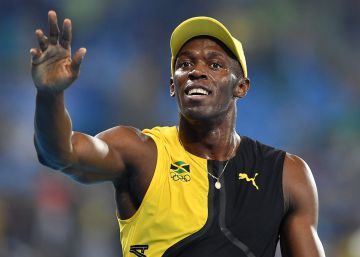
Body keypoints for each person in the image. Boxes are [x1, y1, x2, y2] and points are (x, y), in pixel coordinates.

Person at [31, 10, 326, 257]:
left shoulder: (287, 175)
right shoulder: (141, 152)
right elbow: (60, 154)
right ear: (173, 85)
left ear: (241, 87)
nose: (196, 71)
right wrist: (49, 95)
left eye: (214, 64)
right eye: (185, 64)